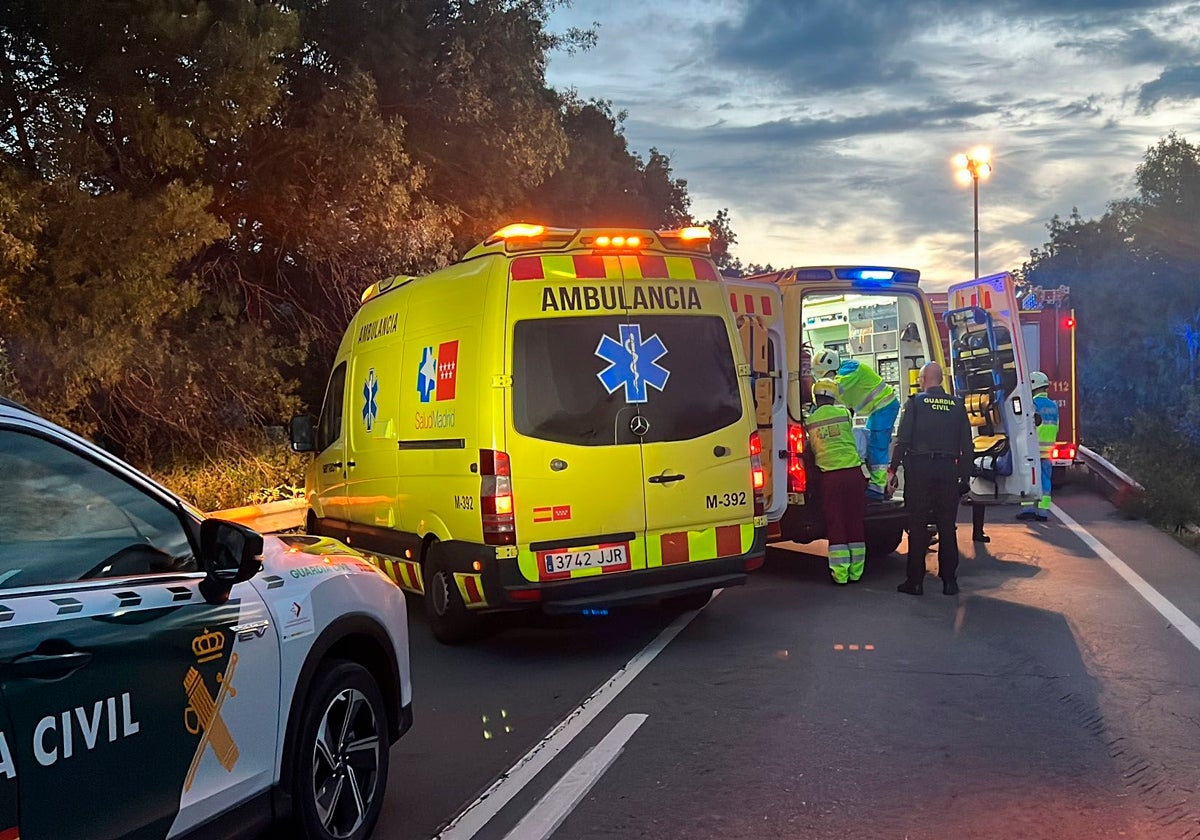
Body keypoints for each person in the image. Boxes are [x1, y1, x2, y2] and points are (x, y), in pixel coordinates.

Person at [887, 362, 974, 596]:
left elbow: (903, 440)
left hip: (920, 471)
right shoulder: (957, 405)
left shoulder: (915, 403)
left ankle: (915, 582)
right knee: (947, 527)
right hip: (948, 471)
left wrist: (892, 470)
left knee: (917, 526)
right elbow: (967, 445)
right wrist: (964, 477)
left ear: (924, 378)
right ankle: (949, 582)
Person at [811, 348, 899, 500]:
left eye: (827, 376)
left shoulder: (848, 371)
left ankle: (877, 488)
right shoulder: (845, 370)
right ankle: (877, 484)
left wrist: (813, 408)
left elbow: (829, 390)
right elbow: (847, 406)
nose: (828, 379)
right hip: (878, 409)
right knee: (873, 444)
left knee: (878, 445)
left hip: (883, 407)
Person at [806, 378, 868, 584]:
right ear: (834, 397)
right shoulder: (843, 415)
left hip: (831, 477)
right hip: (853, 474)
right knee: (855, 521)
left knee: (836, 523)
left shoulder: (810, 421)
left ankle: (840, 574)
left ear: (816, 397)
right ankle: (857, 572)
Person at [1018, 370, 1059, 522]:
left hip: (1033, 451)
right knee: (1045, 482)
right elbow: (1057, 427)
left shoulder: (1032, 404)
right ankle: (1043, 512)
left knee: (1028, 480)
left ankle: (1028, 510)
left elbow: (1025, 426)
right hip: (1048, 452)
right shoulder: (1053, 406)